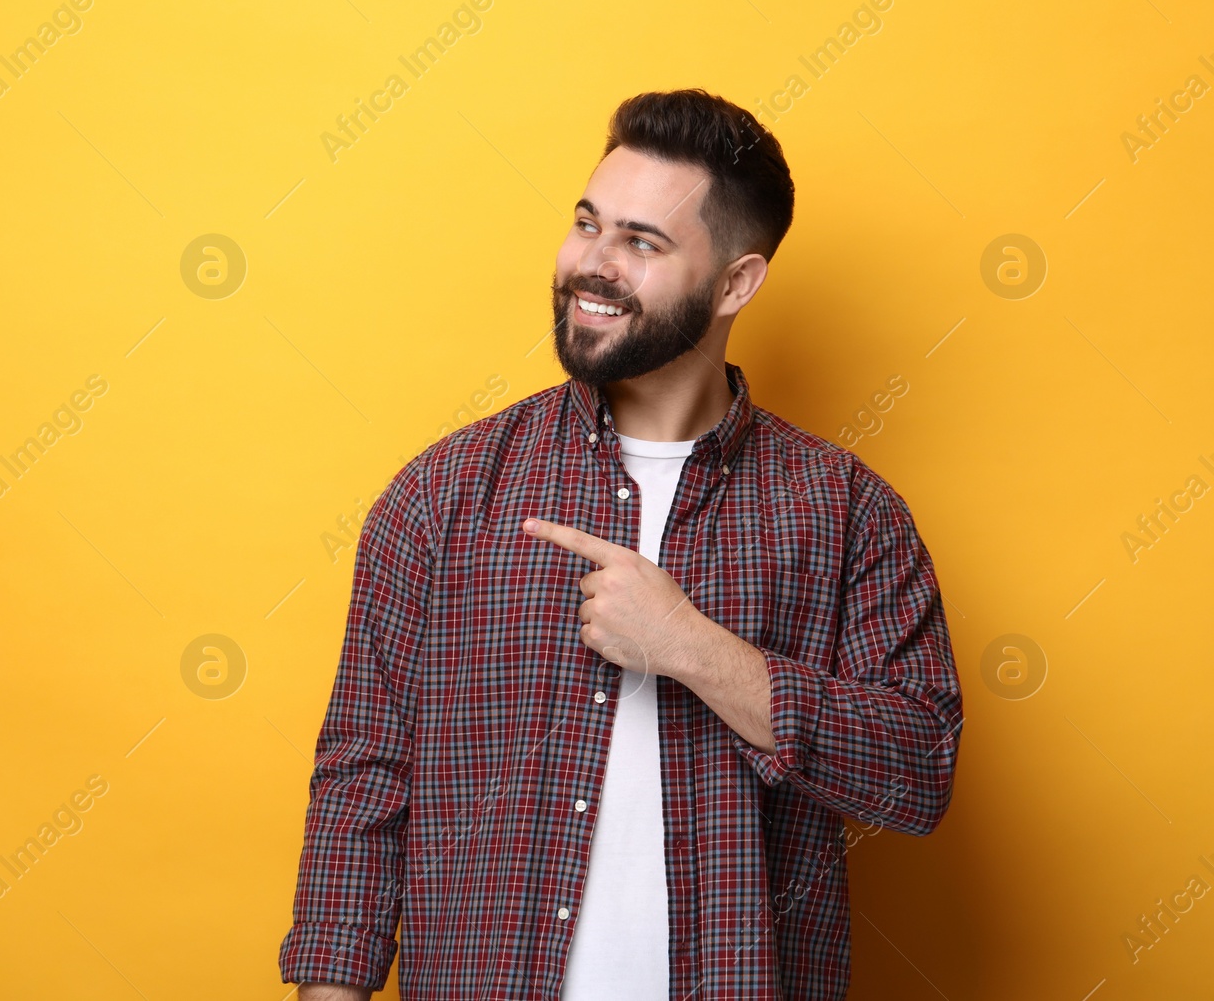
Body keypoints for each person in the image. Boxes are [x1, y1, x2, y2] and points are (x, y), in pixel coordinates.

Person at [279, 88, 963, 1000]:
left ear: (735, 283)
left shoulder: (845, 513)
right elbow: (363, 781)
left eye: (642, 243)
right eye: (586, 223)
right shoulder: (443, 495)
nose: (590, 265)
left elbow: (916, 771)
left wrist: (692, 647)